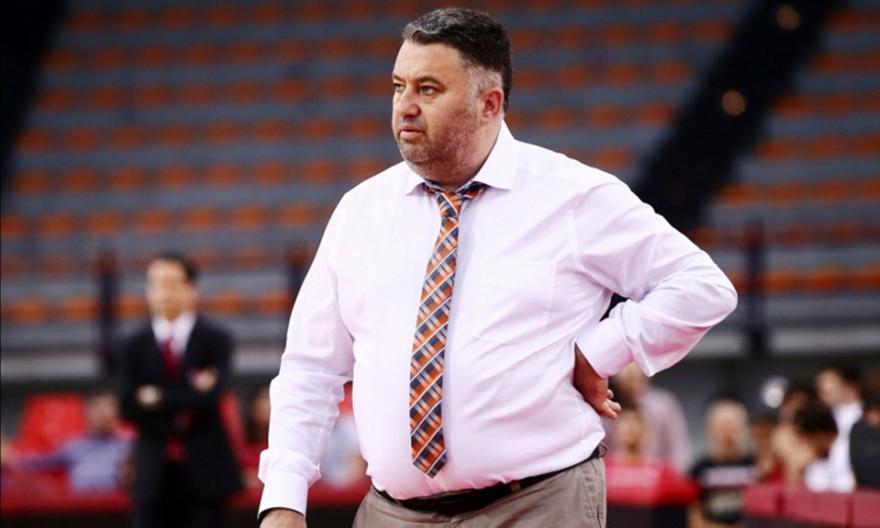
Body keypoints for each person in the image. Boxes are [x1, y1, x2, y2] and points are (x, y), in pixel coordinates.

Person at [258, 8, 737, 528]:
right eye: (398, 87)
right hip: (390, 514)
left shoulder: (573, 196)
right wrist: (283, 498)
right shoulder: (360, 211)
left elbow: (702, 287)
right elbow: (311, 368)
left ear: (489, 103)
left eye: (428, 89)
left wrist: (600, 350)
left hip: (538, 506)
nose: (405, 107)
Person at [116, 252, 242, 528]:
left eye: (172, 283)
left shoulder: (216, 339)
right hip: (152, 473)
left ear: (192, 289)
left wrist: (156, 396)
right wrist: (188, 394)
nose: (164, 292)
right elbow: (127, 407)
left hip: (206, 473)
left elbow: (210, 398)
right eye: (156, 284)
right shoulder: (131, 346)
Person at [4, 390, 132, 493]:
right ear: (86, 412)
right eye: (96, 406)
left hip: (118, 508)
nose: (102, 412)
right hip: (78, 509)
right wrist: (11, 458)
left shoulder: (129, 445)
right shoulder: (74, 446)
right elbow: (38, 462)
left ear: (118, 412)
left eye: (109, 406)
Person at [610, 362, 692, 473]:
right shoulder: (604, 408)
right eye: (623, 365)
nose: (630, 372)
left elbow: (679, 453)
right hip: (615, 477)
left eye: (634, 364)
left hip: (657, 477)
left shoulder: (662, 406)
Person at [689, 400, 757, 528]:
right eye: (723, 427)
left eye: (733, 427)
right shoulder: (699, 468)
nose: (728, 434)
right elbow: (694, 512)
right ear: (710, 429)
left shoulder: (755, 465)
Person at [812, 363, 862, 491]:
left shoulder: (866, 417)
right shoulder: (825, 417)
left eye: (829, 381)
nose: (822, 387)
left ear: (849, 385)